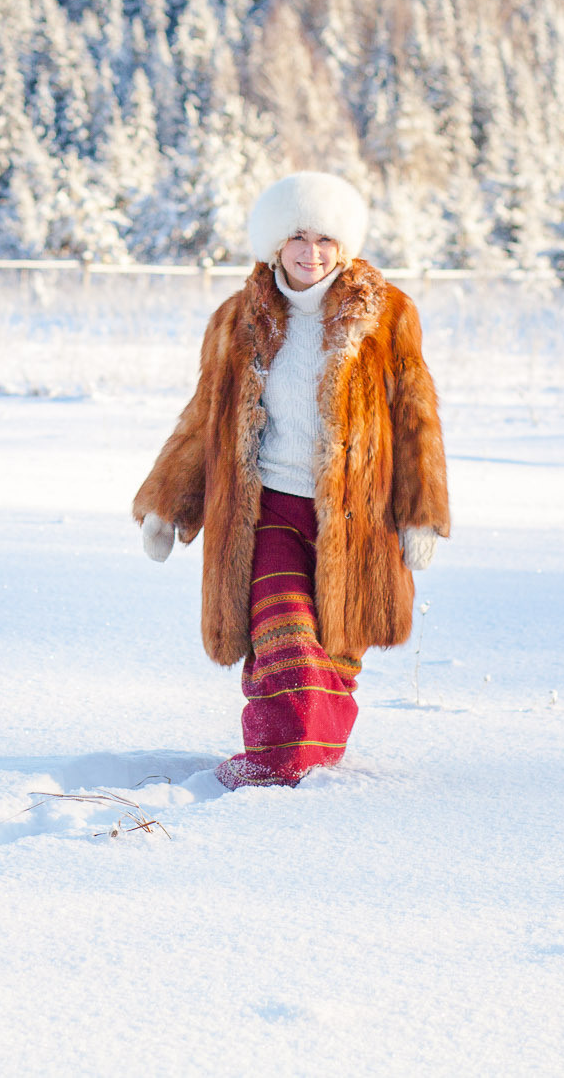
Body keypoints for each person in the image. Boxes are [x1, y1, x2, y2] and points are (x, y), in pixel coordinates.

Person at [133, 172, 450, 788]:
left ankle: (309, 753)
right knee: (285, 643)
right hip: (266, 513)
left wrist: (422, 512)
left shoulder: (387, 316)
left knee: (333, 651)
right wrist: (167, 504)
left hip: (355, 519)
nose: (312, 252)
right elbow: (205, 418)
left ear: (344, 245)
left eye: (326, 239)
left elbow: (416, 417)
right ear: (275, 243)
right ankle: (280, 760)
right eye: (298, 237)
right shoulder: (237, 320)